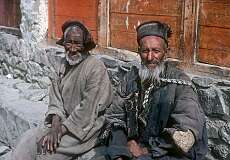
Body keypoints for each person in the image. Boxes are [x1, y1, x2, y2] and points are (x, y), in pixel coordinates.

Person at [8, 20, 113, 160]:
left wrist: (61, 130)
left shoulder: (95, 67)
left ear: (86, 46)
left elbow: (87, 110)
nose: (73, 48)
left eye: (78, 43)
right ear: (63, 43)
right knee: (26, 142)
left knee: (45, 152)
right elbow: (56, 100)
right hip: (61, 123)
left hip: (85, 128)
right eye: (69, 42)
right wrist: (55, 125)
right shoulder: (62, 65)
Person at [109, 21, 208, 160]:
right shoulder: (131, 78)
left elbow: (185, 132)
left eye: (156, 51)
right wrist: (123, 148)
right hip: (136, 146)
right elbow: (116, 116)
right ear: (139, 51)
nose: (150, 58)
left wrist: (146, 150)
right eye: (145, 51)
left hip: (169, 152)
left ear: (165, 53)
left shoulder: (180, 83)